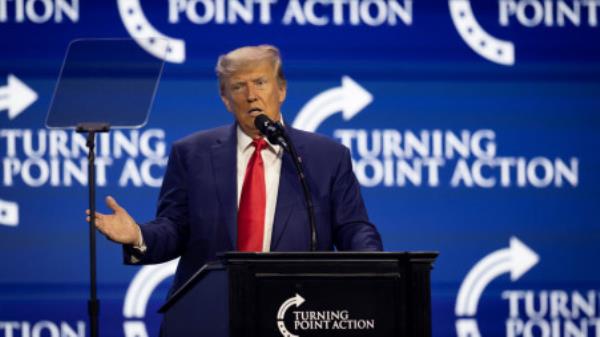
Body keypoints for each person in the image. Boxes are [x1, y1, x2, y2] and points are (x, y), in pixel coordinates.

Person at [86, 45, 382, 295]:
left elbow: (352, 227)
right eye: (239, 86)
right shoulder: (191, 154)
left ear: (281, 90)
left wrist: (377, 268)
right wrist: (138, 234)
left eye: (260, 82)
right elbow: (174, 228)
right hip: (210, 312)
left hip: (299, 307)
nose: (251, 95)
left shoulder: (327, 157)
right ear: (226, 99)